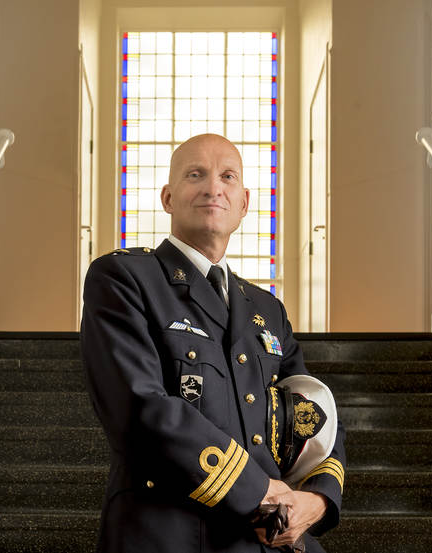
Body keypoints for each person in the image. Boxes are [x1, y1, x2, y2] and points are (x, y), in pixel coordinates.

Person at [80, 134, 345, 553]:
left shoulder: (267, 308)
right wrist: (259, 489)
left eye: (228, 177)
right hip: (169, 533)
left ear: (244, 203)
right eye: (195, 174)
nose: (212, 188)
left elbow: (315, 411)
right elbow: (139, 408)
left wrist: (317, 499)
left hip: (271, 538)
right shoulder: (124, 278)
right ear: (168, 198)